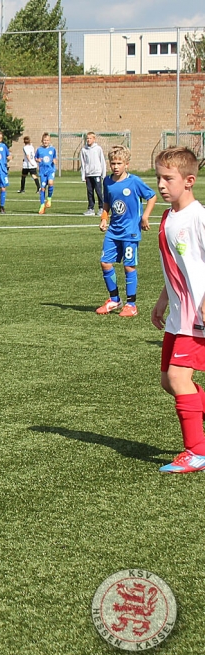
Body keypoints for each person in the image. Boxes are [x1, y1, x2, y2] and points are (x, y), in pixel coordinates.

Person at [150, 147, 205, 473]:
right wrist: (163, 298)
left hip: (197, 317)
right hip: (177, 314)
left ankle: (196, 452)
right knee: (167, 382)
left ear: (189, 181)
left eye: (168, 178)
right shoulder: (168, 216)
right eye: (158, 177)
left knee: (178, 377)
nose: (161, 184)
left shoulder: (199, 217)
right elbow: (178, 266)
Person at [96, 145, 157, 317]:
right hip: (113, 230)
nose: (115, 167)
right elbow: (107, 202)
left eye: (119, 163)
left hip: (130, 231)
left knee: (128, 266)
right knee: (105, 263)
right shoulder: (107, 181)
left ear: (126, 164)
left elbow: (152, 196)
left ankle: (131, 304)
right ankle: (114, 300)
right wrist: (104, 218)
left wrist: (145, 217)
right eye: (113, 163)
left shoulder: (134, 181)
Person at [81, 132, 107, 216]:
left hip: (97, 173)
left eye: (90, 138)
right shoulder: (84, 150)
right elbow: (83, 163)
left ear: (94, 139)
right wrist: (83, 175)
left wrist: (103, 174)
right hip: (88, 174)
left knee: (98, 191)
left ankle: (101, 208)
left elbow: (102, 161)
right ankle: (90, 208)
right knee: (90, 192)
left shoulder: (98, 149)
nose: (88, 140)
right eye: (87, 138)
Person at [36, 132, 57, 214]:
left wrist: (54, 161)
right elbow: (36, 158)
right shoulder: (39, 150)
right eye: (44, 140)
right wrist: (37, 160)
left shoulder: (52, 149)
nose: (46, 142)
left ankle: (49, 199)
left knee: (51, 183)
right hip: (42, 171)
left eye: (47, 140)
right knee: (43, 188)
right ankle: (42, 205)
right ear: (42, 141)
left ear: (50, 141)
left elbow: (54, 157)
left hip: (50, 170)